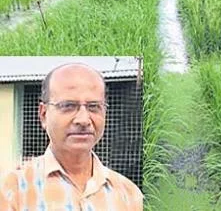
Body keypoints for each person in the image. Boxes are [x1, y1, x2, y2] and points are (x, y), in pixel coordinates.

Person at [0, 63, 143, 210]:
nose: (83, 120)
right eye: (68, 106)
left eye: (93, 106)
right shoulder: (12, 190)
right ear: (43, 115)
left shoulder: (129, 195)